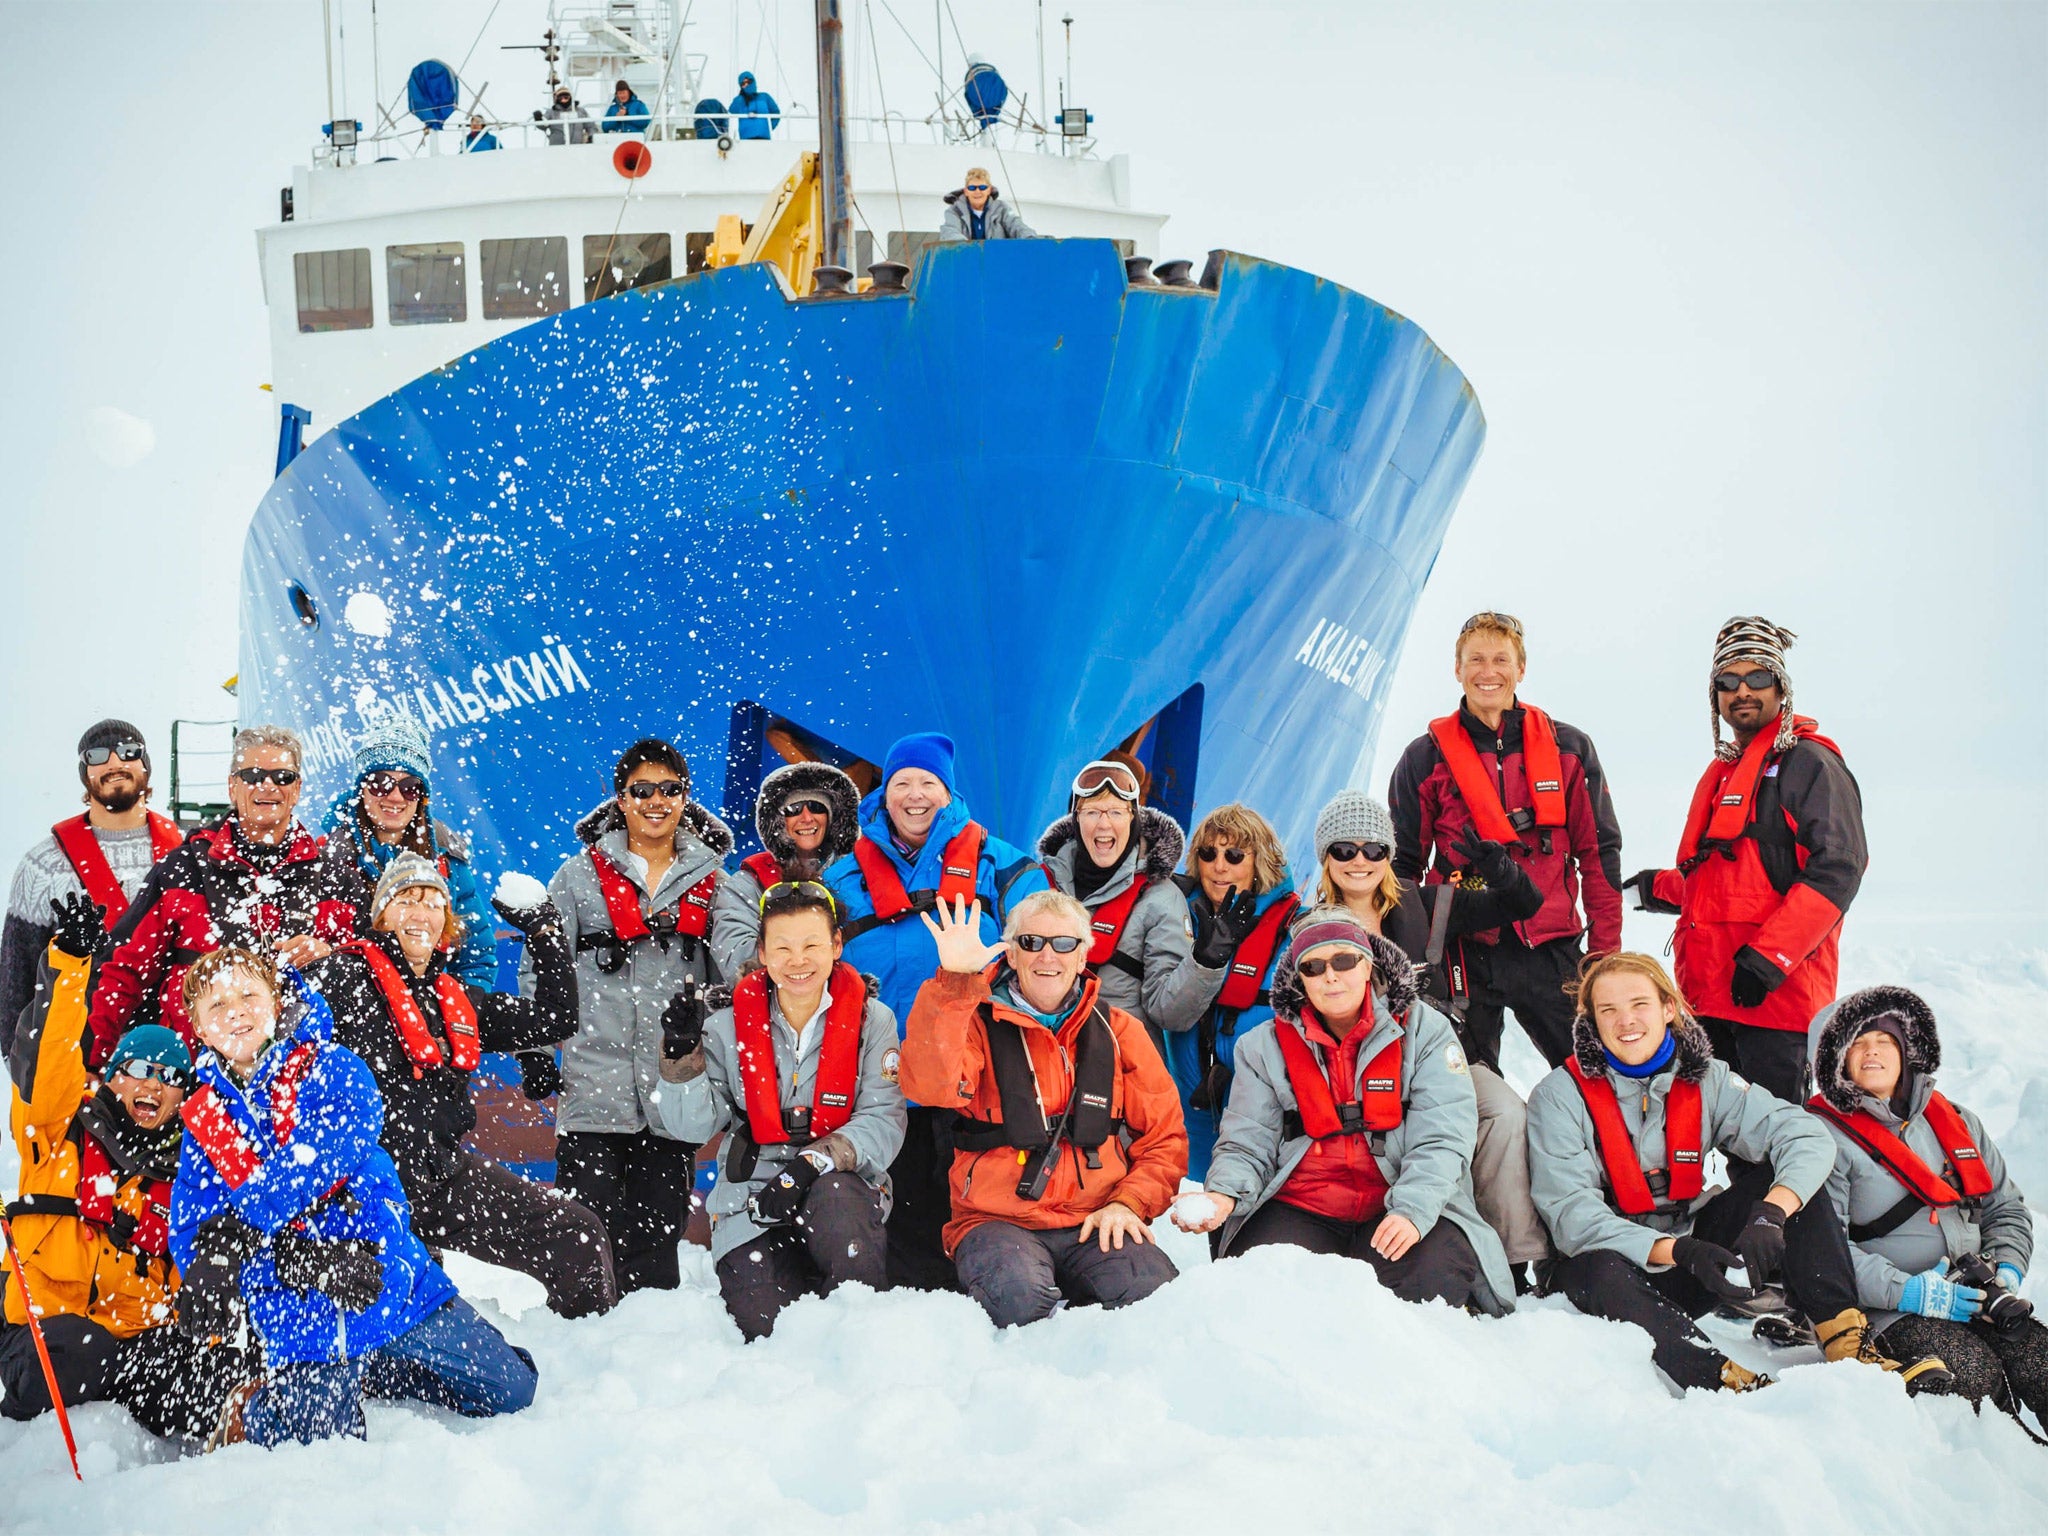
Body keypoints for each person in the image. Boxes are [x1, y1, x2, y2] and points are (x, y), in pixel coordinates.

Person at [1525, 952, 1951, 1395]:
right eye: (1607, 1010)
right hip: (1603, 1276)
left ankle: (1846, 1343)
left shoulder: (1708, 1079)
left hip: (1694, 1267)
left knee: (1791, 1183)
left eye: (1639, 1004)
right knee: (1598, 1269)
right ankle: (1721, 1378)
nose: (1625, 1021)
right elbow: (1572, 1216)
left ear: (1668, 1009)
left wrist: (1773, 1212)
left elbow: (1805, 1135)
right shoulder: (1559, 1097)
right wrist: (1678, 1251)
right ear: (1591, 1022)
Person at [169, 947, 536, 1447]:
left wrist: (253, 1223)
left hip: (391, 1289)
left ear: (277, 1004)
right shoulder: (204, 1122)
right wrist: (278, 1263)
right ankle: (256, 1407)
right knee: (325, 1453)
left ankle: (374, 1367)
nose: (235, 1011)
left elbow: (335, 1155)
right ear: (200, 1029)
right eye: (216, 1006)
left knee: (513, 1390)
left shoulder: (332, 1067)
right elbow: (195, 1232)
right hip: (300, 1320)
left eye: (248, 995)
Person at [306, 853, 616, 1319]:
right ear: (380, 915)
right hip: (364, 1192)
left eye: (434, 903)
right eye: (406, 899)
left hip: (441, 1180)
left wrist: (546, 933)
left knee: (577, 1235)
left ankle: (586, 1362)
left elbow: (556, 1018)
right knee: (408, 1321)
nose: (421, 913)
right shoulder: (338, 980)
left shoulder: (456, 999)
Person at [1174, 913, 1516, 1317]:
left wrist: (1411, 1211)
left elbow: (1443, 1137)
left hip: (1393, 1205)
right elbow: (1247, 1140)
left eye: (1343, 961)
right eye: (1314, 967)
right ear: (1300, 978)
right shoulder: (1261, 1048)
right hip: (1302, 1206)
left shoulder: (1427, 1031)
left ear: (1367, 965)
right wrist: (1224, 1193)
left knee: (1432, 1278)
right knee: (1263, 1285)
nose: (1330, 976)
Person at [1, 900, 249, 1443]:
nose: (151, 1085)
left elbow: (195, 1265)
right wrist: (68, 961)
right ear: (113, 1077)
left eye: (168, 1077)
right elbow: (50, 1056)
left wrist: (209, 1339)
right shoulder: (60, 1125)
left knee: (218, 1378)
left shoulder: (190, 1166)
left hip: (138, 1336)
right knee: (66, 1353)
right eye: (137, 1070)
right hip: (47, 1328)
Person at [822, 731, 1047, 1291]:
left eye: (928, 782)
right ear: (885, 791)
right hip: (881, 1069)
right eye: (902, 783)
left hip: (971, 1067)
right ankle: (902, 1308)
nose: (915, 795)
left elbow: (1047, 947)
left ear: (948, 792)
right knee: (897, 1196)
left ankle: (985, 1288)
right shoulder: (842, 875)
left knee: (971, 1188)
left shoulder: (1003, 865)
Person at [902, 893, 1186, 1327]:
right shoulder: (974, 1021)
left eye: (1064, 944)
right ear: (1012, 954)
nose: (1047, 955)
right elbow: (930, 1087)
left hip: (1096, 1218)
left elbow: (1165, 1138)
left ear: (1083, 955)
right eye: (1031, 942)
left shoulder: (1120, 1030)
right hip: (996, 1221)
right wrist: (955, 983)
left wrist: (1129, 1203)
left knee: (1155, 1298)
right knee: (1018, 1303)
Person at [1307, 790, 1550, 1275]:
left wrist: (1500, 868)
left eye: (1374, 849)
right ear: (1326, 858)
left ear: (1390, 855)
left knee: (1504, 1113)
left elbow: (1524, 903)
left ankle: (1517, 1258)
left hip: (1441, 1058)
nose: (1361, 861)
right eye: (1345, 850)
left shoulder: (1429, 906)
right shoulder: (1310, 928)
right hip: (1356, 1069)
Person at [1625, 617, 1866, 1105]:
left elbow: (1837, 868)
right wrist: (1644, 890)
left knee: (1780, 1148)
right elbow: (1726, 882)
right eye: (1727, 682)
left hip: (1776, 1002)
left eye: (1758, 677)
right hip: (1713, 998)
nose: (1743, 691)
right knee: (1735, 1143)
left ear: (1781, 687)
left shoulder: (1810, 765)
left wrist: (1766, 961)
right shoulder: (1729, 769)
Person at [652, 881, 905, 1340]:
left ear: (836, 946)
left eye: (812, 944)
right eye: (782, 947)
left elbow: (882, 1119)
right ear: (763, 954)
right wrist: (680, 1058)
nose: (798, 961)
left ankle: (864, 1344)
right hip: (750, 1200)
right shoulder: (727, 1025)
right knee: (764, 1326)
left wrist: (813, 1163)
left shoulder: (874, 1020)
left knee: (840, 1216)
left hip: (838, 1189)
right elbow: (692, 1128)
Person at [531, 738, 729, 1295]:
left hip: (673, 1089)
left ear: (685, 798)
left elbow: (735, 978)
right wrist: (538, 1053)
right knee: (581, 1235)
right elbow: (539, 969)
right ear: (620, 799)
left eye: (670, 789)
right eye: (642, 790)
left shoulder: (716, 880)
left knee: (658, 1234)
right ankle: (582, 1346)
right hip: (594, 1089)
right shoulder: (577, 876)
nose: (656, 801)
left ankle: (651, 1355)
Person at [1387, 610, 1623, 1072]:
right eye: (1475, 660)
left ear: (1521, 669)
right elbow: (1402, 871)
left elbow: (1599, 856)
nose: (1488, 672)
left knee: (1596, 1077)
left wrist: (1604, 954)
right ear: (1457, 669)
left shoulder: (1571, 749)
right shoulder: (1423, 758)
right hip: (1462, 949)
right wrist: (1408, 956)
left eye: (1500, 659)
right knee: (1461, 1088)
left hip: (1551, 948)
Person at [1809, 984, 2045, 1421]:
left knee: (2041, 1363)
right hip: (1885, 1311)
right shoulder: (1820, 1139)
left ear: (1907, 1050)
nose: (1873, 1052)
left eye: (1885, 1040)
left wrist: (2006, 1269)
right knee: (1974, 1379)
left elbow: (2006, 1208)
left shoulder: (1956, 1120)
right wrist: (1914, 1292)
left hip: (1974, 1300)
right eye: (1857, 1043)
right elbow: (1824, 1252)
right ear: (1834, 1059)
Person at [86, 725, 365, 1067]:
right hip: (194, 1078)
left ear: (298, 789)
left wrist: (330, 953)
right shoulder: (183, 869)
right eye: (252, 775)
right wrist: (91, 1063)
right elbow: (123, 971)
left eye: (282, 777)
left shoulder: (334, 879)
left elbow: (374, 967)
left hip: (304, 1084)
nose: (267, 786)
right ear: (232, 786)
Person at [3, 719, 183, 1058]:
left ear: (145, 766)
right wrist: (22, 1066)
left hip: (169, 1061)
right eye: (98, 755)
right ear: (85, 773)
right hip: (76, 1058)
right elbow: (17, 977)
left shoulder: (185, 854)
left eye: (129, 752)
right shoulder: (43, 865)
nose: (115, 763)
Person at [1038, 756, 1220, 1053]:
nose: (1104, 823)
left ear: (1134, 818)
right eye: (1092, 812)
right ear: (1076, 820)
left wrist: (1206, 963)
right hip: (1044, 1061)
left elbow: (1169, 1013)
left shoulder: (1160, 897)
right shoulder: (1040, 885)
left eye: (1116, 812)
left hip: (1120, 1065)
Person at [1169, 803, 1300, 1179]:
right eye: (1208, 854)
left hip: (1262, 1107)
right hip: (1188, 1102)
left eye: (1235, 854)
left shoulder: (1296, 926)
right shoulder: (1175, 916)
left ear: (1259, 861)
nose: (1219, 866)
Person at [321, 714, 496, 990]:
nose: (395, 797)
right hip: (355, 1022)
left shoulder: (447, 863)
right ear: (361, 789)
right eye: (381, 782)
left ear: (422, 797)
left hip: (428, 1025)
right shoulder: (325, 861)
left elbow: (477, 956)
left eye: (410, 787)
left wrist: (454, 1013)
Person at [709, 760, 861, 981]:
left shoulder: (860, 875)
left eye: (817, 807)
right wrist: (804, 973)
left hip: (852, 1006)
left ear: (833, 817)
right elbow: (735, 958)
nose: (807, 818)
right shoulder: (747, 885)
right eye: (794, 810)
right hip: (774, 1010)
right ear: (777, 821)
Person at [940, 169, 1037, 241]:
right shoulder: (954, 211)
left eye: (982, 187)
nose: (977, 191)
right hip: (967, 259)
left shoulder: (1002, 208)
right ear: (966, 191)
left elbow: (1016, 225)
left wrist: (1030, 238)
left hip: (997, 259)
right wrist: (966, 247)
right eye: (972, 188)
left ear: (989, 190)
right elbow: (950, 230)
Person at [730, 71, 780, 140]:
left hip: (764, 138)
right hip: (746, 139)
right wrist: (740, 98)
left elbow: (776, 113)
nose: (747, 85)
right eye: (743, 83)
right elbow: (731, 111)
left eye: (749, 81)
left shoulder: (765, 97)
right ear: (741, 86)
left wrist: (769, 127)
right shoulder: (739, 99)